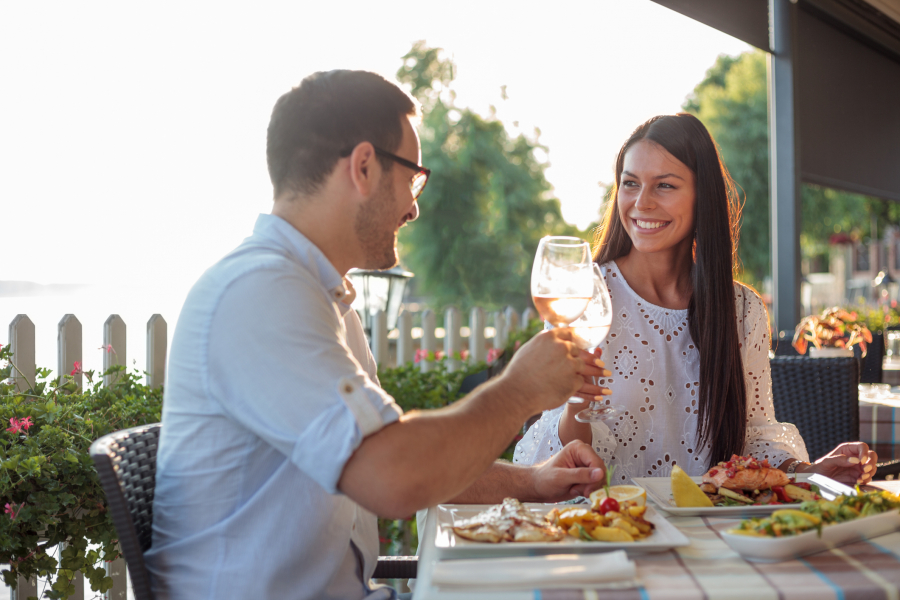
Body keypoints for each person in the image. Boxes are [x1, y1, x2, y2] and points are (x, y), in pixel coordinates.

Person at [144, 70, 609, 600]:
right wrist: (518, 390)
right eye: (413, 177)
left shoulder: (316, 295)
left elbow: (394, 454)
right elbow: (394, 476)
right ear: (363, 166)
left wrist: (533, 482)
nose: (414, 207)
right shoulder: (261, 294)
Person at [514, 113, 877, 487]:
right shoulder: (581, 298)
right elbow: (554, 465)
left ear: (702, 195)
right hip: (610, 527)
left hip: (713, 530)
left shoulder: (742, 310)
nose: (642, 202)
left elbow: (753, 436)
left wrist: (809, 472)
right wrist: (576, 403)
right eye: (630, 183)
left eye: (665, 186)